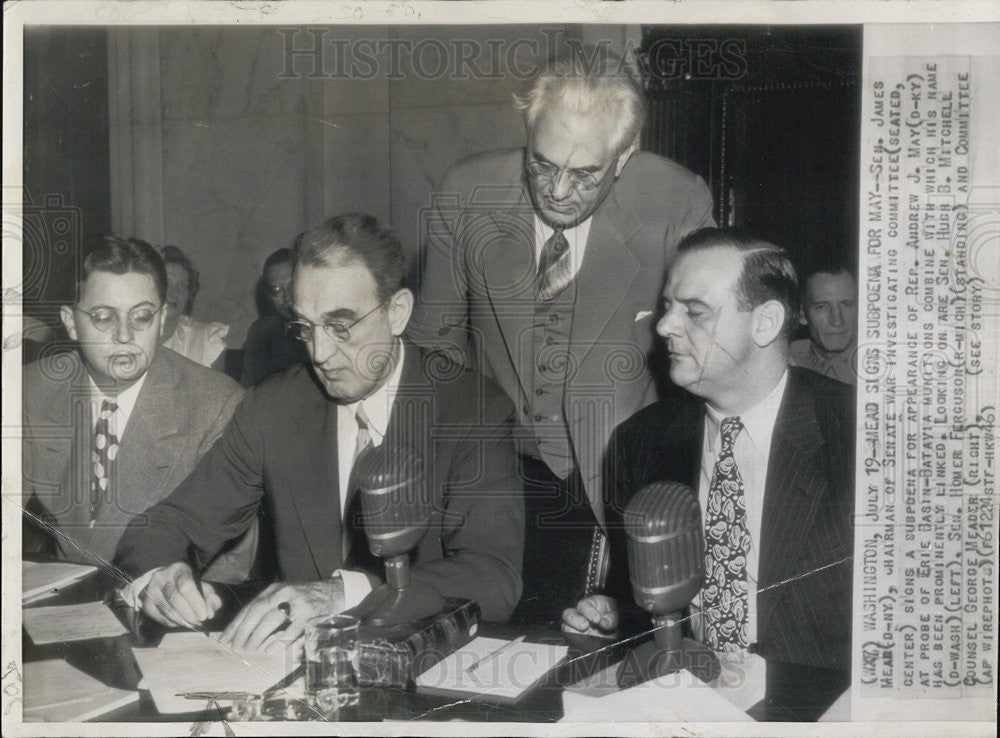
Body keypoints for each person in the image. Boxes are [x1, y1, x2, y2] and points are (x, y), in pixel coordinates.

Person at [115, 213, 524, 649]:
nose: (320, 353)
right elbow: (167, 524)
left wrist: (342, 595)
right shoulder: (274, 407)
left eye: (340, 326)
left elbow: (493, 579)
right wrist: (159, 578)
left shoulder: (473, 411)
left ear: (398, 312)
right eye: (305, 327)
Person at [407, 46, 714, 624]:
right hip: (501, 468)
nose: (558, 191)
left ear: (624, 157)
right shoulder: (466, 193)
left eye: (585, 174)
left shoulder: (675, 200)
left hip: (626, 473)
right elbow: (436, 351)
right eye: (542, 164)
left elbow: (702, 373)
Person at [564, 229, 854, 720]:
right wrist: (611, 619)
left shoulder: (863, 438)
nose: (664, 326)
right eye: (668, 305)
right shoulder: (641, 441)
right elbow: (639, 600)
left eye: (694, 312)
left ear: (765, 323)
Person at [22, 236, 250, 579]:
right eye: (103, 317)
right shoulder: (31, 389)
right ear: (70, 322)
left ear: (161, 321)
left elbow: (230, 563)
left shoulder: (215, 404)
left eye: (141, 317)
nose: (125, 335)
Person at [240, 247, 308, 387]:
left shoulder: (327, 326)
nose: (288, 297)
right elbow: (251, 391)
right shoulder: (262, 332)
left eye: (293, 285)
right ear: (268, 297)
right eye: (276, 290)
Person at [159, 244, 230, 369]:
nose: (174, 293)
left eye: (182, 286)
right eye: (167, 283)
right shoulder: (128, 336)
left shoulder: (206, 339)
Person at [789, 264, 858, 384]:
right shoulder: (786, 359)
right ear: (802, 315)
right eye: (822, 307)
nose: (837, 321)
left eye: (846, 304)